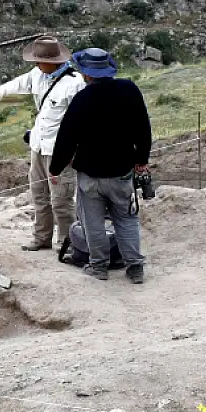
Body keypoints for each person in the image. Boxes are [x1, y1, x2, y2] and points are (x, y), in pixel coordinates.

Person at [0, 35, 86, 251]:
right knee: (39, 195)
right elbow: (13, 85)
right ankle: (42, 238)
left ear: (52, 61)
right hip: (38, 147)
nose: (35, 64)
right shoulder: (38, 75)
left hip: (60, 152)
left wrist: (73, 152)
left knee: (61, 200)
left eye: (38, 60)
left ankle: (67, 243)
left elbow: (82, 121)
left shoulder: (74, 84)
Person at [48, 47, 152, 284]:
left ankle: (99, 267)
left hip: (90, 174)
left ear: (87, 73)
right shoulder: (130, 90)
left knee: (92, 222)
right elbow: (143, 128)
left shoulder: (82, 99)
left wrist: (55, 169)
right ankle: (135, 268)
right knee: (126, 219)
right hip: (122, 172)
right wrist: (142, 160)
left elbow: (66, 139)